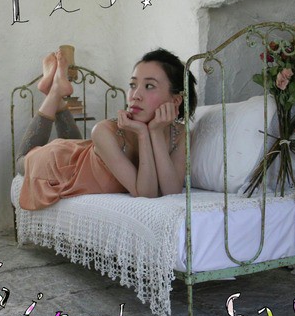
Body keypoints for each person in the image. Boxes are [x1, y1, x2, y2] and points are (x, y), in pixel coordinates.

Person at [16, 47, 197, 210]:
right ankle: (55, 92)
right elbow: (146, 194)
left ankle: (56, 89)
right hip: (58, 163)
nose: (135, 95)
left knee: (78, 147)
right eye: (133, 85)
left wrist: (155, 133)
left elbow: (171, 191)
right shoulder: (104, 131)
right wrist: (143, 133)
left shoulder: (180, 134)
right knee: (21, 162)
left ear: (175, 100)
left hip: (83, 156)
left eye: (149, 86)